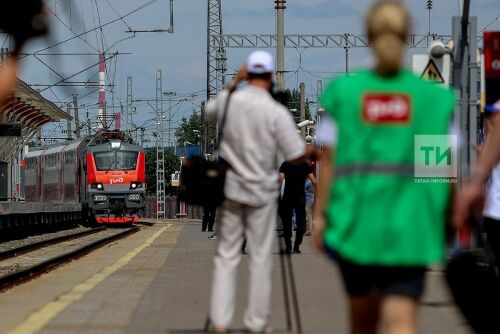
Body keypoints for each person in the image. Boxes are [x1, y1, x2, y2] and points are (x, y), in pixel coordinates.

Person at [312, 1, 455, 334]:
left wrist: (320, 217)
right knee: (402, 321)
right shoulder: (431, 98)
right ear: (408, 35)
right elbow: (437, 167)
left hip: (355, 226)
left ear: (367, 36)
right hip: (411, 226)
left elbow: (328, 163)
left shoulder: (344, 94)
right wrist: (448, 217)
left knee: (361, 324)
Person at [205, 50, 315, 333]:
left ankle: (220, 322)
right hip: (262, 195)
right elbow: (294, 152)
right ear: (269, 76)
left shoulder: (231, 102)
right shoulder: (275, 111)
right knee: (260, 259)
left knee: (227, 257)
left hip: (231, 189)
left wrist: (232, 84)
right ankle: (256, 324)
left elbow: (208, 113)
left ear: (246, 74)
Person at [279, 160, 316, 253]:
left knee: (287, 223)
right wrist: (317, 192)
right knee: (301, 223)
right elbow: (314, 180)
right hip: (300, 198)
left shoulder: (285, 163)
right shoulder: (305, 164)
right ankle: (296, 246)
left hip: (287, 197)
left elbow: (280, 179)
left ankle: (288, 246)